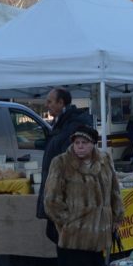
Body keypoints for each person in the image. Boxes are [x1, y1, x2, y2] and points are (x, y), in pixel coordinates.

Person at [43, 125, 125, 266]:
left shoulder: (104, 160)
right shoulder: (61, 163)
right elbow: (51, 200)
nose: (79, 146)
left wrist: (117, 216)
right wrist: (69, 223)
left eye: (84, 143)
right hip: (74, 239)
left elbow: (114, 190)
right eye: (77, 142)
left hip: (99, 237)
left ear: (93, 143)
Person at [36, 88, 93, 244]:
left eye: (50, 101)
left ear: (61, 103)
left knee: (65, 238)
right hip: (58, 193)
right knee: (57, 235)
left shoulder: (71, 126)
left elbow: (71, 163)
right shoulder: (61, 123)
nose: (46, 105)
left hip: (66, 196)